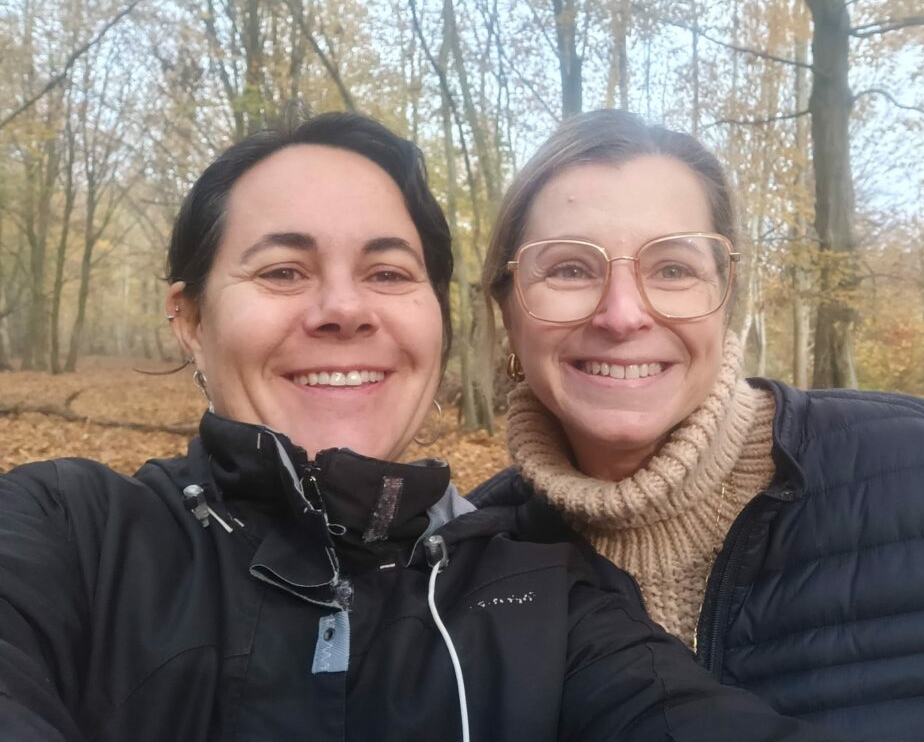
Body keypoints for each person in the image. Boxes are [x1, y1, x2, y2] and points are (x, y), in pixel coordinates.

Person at [0, 112, 859, 742]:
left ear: (437, 323)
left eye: (388, 272)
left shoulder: (539, 594)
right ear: (189, 319)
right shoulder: (68, 536)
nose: (344, 308)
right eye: (284, 270)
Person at [475, 108, 924, 742]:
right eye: (570, 269)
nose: (622, 315)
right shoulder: (461, 572)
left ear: (725, 298)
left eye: (672, 269)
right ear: (507, 311)